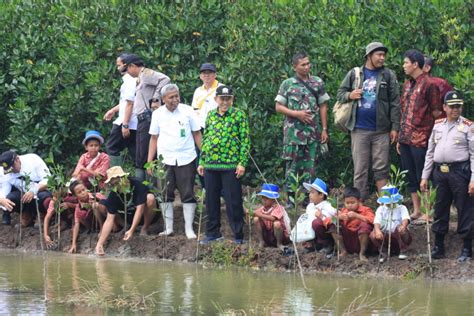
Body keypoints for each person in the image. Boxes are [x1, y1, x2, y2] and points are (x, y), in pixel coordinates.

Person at [336, 42, 400, 200]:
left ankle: (385, 206)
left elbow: (395, 102)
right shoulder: (355, 73)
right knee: (360, 169)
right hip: (359, 129)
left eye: (384, 55)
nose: (382, 58)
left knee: (381, 169)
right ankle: (359, 208)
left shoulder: (388, 75)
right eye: (379, 55)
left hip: (381, 130)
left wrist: (395, 127)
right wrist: (350, 95)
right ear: (369, 56)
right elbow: (340, 93)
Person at [420, 91, 474, 262]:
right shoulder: (438, 125)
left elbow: (473, 155)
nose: (455, 110)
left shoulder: (468, 126)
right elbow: (430, 152)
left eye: (458, 106)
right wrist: (424, 176)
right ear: (444, 107)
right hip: (439, 173)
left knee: (464, 209)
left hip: (460, 172)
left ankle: (466, 248)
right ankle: (438, 246)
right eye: (452, 107)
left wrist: (473, 179)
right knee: (440, 207)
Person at [147, 84, 202, 239]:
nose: (175, 99)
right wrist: (150, 161)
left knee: (188, 193)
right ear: (163, 99)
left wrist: (204, 155)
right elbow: (153, 138)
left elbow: (197, 133)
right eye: (171, 97)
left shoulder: (188, 111)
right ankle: (168, 228)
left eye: (176, 96)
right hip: (165, 159)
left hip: (187, 158)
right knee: (165, 193)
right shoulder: (157, 114)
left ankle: (189, 229)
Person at [197, 85, 250, 244]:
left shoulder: (239, 115)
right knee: (211, 200)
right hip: (211, 165)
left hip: (231, 166)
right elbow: (206, 140)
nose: (225, 102)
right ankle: (213, 233)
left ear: (232, 99)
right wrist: (202, 161)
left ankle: (238, 236)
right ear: (216, 99)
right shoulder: (211, 115)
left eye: (228, 99)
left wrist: (242, 163)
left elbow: (245, 140)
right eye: (222, 98)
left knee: (233, 201)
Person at [275, 52, 330, 204]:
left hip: (312, 133)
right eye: (303, 64)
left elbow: (323, 105)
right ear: (295, 67)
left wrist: (324, 129)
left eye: (308, 63)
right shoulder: (288, 84)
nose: (307, 67)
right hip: (293, 134)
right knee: (292, 166)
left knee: (310, 167)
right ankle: (291, 199)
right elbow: (278, 106)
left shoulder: (317, 82)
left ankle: (308, 199)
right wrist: (296, 114)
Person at [44, 130, 110, 247]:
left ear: (99, 146)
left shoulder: (104, 157)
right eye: (91, 145)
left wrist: (85, 170)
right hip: (80, 188)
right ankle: (66, 222)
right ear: (86, 147)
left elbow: (100, 175)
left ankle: (99, 226)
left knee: (92, 203)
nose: (94, 148)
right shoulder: (83, 157)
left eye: (96, 145)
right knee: (54, 203)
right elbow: (76, 174)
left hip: (96, 188)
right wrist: (79, 180)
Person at [398, 49, 442, 222]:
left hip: (422, 137)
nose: (403, 66)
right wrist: (401, 136)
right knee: (409, 175)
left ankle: (427, 211)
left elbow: (437, 112)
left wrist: (434, 137)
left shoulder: (430, 84)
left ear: (415, 64)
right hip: (405, 137)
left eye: (405, 62)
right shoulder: (407, 84)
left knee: (423, 174)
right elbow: (403, 111)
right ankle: (416, 210)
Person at [122, 53, 170, 181]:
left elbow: (165, 79)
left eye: (127, 69)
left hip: (148, 117)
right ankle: (142, 187)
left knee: (145, 154)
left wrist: (156, 97)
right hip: (142, 119)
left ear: (132, 66)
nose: (127, 72)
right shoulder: (140, 77)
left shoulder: (145, 73)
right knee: (140, 154)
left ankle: (148, 189)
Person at [94, 166, 156, 256]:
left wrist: (132, 230)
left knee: (150, 198)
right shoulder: (114, 193)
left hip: (145, 214)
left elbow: (140, 209)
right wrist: (100, 244)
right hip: (128, 216)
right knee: (104, 204)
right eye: (113, 184)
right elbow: (109, 219)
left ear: (124, 178)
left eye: (117, 183)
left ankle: (144, 228)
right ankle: (125, 226)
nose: (116, 186)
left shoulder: (138, 184)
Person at [0, 150, 52, 226]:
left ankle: (42, 214)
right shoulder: (4, 172)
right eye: (9, 170)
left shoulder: (33, 159)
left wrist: (34, 190)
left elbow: (47, 179)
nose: (12, 171)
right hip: (23, 195)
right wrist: (1, 199)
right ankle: (26, 214)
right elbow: (4, 189)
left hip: (40, 190)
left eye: (13, 167)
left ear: (17, 159)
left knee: (43, 197)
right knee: (10, 198)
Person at [103, 53, 138, 167]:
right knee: (135, 152)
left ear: (126, 65)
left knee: (112, 147)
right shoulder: (131, 80)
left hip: (126, 121)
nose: (118, 68)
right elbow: (125, 102)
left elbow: (130, 104)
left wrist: (125, 124)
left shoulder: (130, 81)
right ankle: (142, 182)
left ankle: (116, 177)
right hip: (133, 122)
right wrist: (113, 110)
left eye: (119, 65)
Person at [331, 187, 374, 262]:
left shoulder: (366, 209)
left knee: (365, 226)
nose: (350, 205)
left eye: (352, 202)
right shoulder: (343, 211)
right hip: (348, 240)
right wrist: (339, 217)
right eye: (347, 203)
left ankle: (362, 253)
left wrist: (357, 216)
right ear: (344, 202)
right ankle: (343, 251)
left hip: (360, 240)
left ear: (359, 201)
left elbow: (373, 220)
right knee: (334, 225)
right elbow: (328, 220)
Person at [369, 185, 411, 260]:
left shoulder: (401, 208)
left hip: (399, 235)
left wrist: (403, 226)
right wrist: (377, 231)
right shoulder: (381, 209)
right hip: (386, 236)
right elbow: (377, 221)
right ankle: (383, 252)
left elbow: (406, 219)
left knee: (399, 228)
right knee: (373, 234)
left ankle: (403, 250)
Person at [68, 180, 106, 253]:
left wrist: (97, 203)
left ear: (86, 188)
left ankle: (102, 228)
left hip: (105, 218)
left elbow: (109, 207)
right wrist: (73, 244)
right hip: (92, 224)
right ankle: (95, 229)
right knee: (79, 214)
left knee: (95, 206)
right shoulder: (78, 206)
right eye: (79, 192)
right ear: (75, 196)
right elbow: (76, 224)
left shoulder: (97, 195)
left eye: (83, 190)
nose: (83, 193)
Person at [302, 178, 336, 255]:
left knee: (316, 223)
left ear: (321, 195)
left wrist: (321, 217)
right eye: (310, 192)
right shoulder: (310, 206)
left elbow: (332, 220)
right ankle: (313, 243)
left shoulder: (327, 206)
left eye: (312, 192)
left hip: (325, 233)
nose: (310, 195)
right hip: (314, 234)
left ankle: (327, 245)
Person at [252, 183, 291, 251]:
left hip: (280, 236)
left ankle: (279, 244)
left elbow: (273, 218)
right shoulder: (262, 209)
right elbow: (255, 213)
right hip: (268, 236)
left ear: (273, 199)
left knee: (277, 224)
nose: (264, 200)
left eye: (266, 198)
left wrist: (258, 214)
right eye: (263, 197)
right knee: (256, 219)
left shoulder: (279, 207)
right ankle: (262, 241)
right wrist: (249, 212)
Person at [191, 63, 223, 129]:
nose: (206, 75)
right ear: (200, 76)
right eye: (204, 73)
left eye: (209, 73)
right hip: (201, 126)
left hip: (217, 125)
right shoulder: (198, 91)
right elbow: (194, 109)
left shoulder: (221, 88)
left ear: (215, 75)